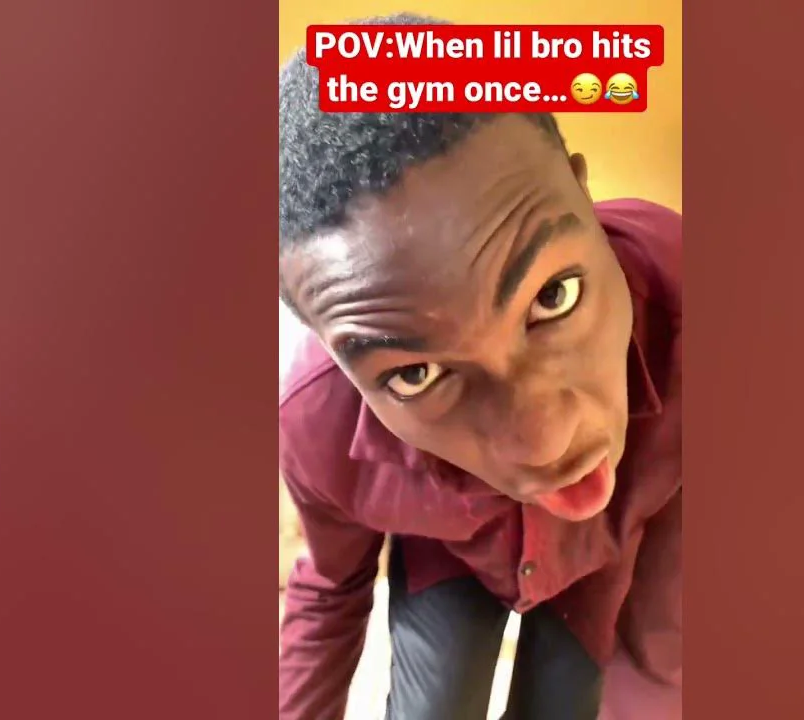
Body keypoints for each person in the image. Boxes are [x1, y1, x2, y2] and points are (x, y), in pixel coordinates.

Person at [277, 14, 682, 720]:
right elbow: (330, 593)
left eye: (553, 296)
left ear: (586, 203)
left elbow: (664, 630)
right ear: (337, 360)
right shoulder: (316, 423)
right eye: (415, 374)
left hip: (601, 563)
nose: (544, 441)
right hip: (449, 562)